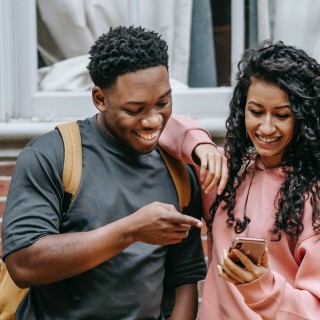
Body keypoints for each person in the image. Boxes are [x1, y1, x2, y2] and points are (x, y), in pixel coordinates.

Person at [1, 26, 227, 320]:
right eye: (134, 109)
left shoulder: (177, 168)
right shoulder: (53, 155)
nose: (152, 121)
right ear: (100, 98)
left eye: (163, 103)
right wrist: (130, 230)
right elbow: (24, 265)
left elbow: (183, 279)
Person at [160, 40, 320, 319]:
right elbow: (164, 124)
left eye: (282, 115)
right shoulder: (227, 172)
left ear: (302, 118)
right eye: (256, 112)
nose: (266, 127)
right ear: (241, 108)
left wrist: (259, 286)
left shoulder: (313, 196)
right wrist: (202, 146)